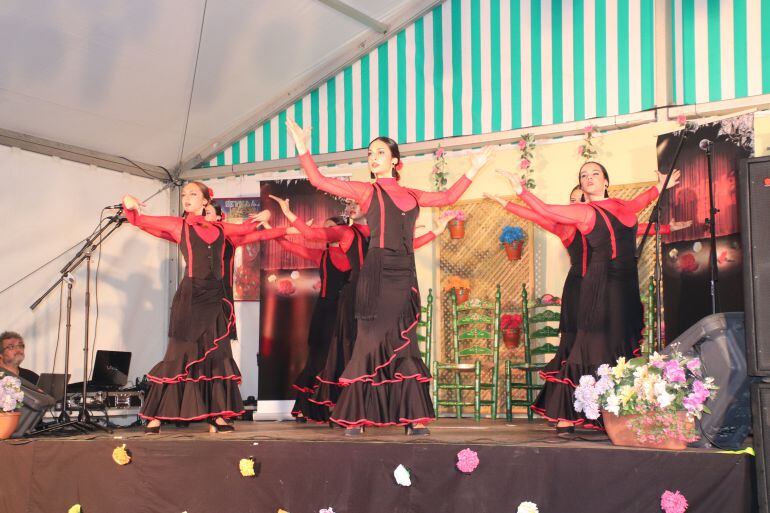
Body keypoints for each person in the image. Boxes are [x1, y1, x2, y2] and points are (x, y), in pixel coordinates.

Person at [286, 118, 493, 435]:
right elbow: (319, 180)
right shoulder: (366, 192)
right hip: (377, 272)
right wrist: (303, 148)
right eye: (370, 153)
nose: (373, 157)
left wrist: (473, 168)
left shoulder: (412, 194)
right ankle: (357, 416)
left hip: (404, 272)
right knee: (368, 342)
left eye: (379, 152)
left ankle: (412, 418)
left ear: (395, 160)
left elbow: (448, 197)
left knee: (405, 342)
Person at [498, 161, 680, 431]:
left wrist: (660, 185)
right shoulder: (584, 211)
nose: (589, 177)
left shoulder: (624, 206)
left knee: (618, 345)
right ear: (582, 186)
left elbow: (644, 202)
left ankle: (614, 411)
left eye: (595, 173)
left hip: (626, 283)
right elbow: (545, 212)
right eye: (584, 175)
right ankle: (567, 412)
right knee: (589, 344)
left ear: (606, 180)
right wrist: (519, 192)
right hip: (598, 281)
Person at [121, 183, 287, 434]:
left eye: (193, 194)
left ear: (206, 201)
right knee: (178, 356)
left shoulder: (221, 229)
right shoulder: (179, 225)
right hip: (190, 297)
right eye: (185, 194)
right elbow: (140, 220)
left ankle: (217, 415)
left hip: (215, 298)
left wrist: (267, 216)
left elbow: (247, 229)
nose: (186, 198)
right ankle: (155, 415)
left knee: (217, 356)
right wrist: (128, 202)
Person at [270, 197, 458, 416]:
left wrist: (437, 230)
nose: (351, 208)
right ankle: (353, 411)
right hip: (356, 300)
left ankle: (386, 409)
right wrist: (288, 213)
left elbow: (409, 247)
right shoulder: (347, 233)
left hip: (383, 297)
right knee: (354, 353)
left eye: (357, 204)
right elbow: (312, 234)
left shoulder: (382, 235)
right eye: (349, 205)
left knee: (388, 351)